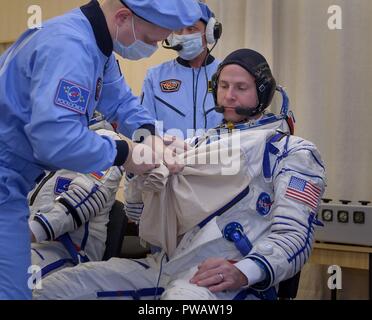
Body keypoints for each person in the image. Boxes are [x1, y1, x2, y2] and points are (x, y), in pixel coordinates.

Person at [33, 49, 326, 300]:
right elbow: (137, 213)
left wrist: (244, 271)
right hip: (167, 265)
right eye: (223, 86)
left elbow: (295, 237)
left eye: (241, 88)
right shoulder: (196, 148)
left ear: (262, 92)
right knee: (54, 287)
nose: (229, 96)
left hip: (225, 276)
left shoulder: (291, 151)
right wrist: (140, 173)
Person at [0, 0, 202, 299]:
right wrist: (126, 153)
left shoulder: (96, 45)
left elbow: (119, 100)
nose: (151, 48)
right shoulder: (70, 47)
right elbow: (57, 139)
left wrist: (151, 137)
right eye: (150, 40)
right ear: (123, 17)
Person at [29, 122, 123, 283]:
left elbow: (85, 200)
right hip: (31, 245)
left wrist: (29, 232)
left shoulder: (106, 141)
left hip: (68, 254)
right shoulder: (45, 143)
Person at [140, 2, 223, 139]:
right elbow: (144, 128)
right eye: (178, 30)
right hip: (169, 158)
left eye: (191, 29)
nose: (183, 35)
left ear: (209, 33)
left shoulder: (227, 74)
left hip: (218, 157)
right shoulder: (154, 77)